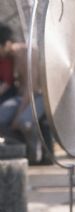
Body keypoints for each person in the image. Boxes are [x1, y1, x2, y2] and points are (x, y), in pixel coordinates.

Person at [0, 23, 45, 163]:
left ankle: (34, 156)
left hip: (38, 97)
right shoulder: (11, 57)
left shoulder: (29, 53)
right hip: (21, 97)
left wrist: (18, 114)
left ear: (6, 44)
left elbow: (30, 89)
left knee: (24, 122)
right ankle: (19, 150)